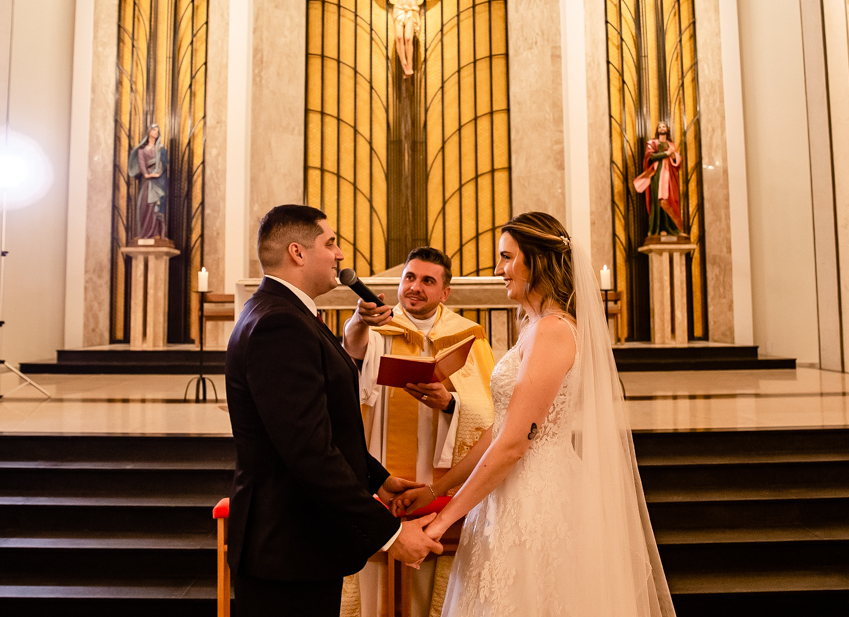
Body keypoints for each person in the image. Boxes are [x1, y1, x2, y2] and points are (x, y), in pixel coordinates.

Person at [392, 212, 675, 617]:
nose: (498, 270)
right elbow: (501, 429)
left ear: (537, 261)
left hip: (536, 499)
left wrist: (439, 524)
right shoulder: (534, 326)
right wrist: (438, 491)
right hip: (510, 490)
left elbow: (512, 445)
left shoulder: (553, 330)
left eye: (507, 257)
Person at [224, 205, 443, 617]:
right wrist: (391, 534)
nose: (340, 254)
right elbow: (308, 450)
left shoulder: (286, 312)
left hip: (298, 544)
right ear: (297, 252)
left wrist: (377, 479)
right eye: (330, 243)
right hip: (286, 547)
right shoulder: (279, 324)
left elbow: (319, 419)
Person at [341, 247, 496, 617]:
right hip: (379, 479)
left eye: (428, 281)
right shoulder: (378, 324)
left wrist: (451, 403)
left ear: (445, 293)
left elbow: (492, 411)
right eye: (410, 278)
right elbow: (352, 349)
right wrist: (359, 321)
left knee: (430, 593)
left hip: (437, 487)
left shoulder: (468, 337)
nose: (415, 287)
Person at [354, 0, 461, 77]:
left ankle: (409, 65)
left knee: (409, 38)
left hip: (411, 10)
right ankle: (404, 64)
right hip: (399, 9)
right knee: (399, 37)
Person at [633, 121, 685, 238]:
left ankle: (672, 228)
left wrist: (673, 156)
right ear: (657, 130)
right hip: (657, 176)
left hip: (669, 177)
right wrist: (666, 153)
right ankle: (658, 228)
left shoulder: (671, 145)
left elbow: (677, 162)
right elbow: (650, 157)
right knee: (658, 202)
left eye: (664, 126)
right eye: (660, 127)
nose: (662, 128)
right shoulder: (652, 143)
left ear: (667, 129)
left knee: (670, 201)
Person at [127, 124, 168, 240]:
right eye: (154, 130)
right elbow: (142, 167)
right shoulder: (142, 150)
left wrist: (158, 173)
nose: (156, 132)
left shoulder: (160, 149)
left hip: (158, 182)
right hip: (148, 182)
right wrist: (149, 175)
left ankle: (156, 233)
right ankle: (145, 232)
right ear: (149, 131)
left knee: (156, 206)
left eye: (157, 131)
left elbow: (163, 165)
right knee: (145, 205)